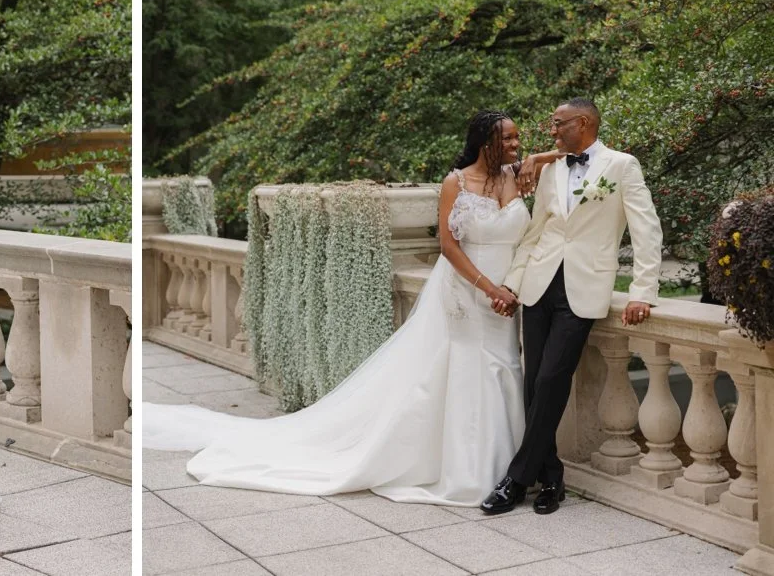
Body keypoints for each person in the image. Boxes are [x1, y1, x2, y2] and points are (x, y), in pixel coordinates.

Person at [143, 111, 562, 506]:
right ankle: (473, 473)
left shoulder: (517, 174)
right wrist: (489, 288)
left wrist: (539, 156)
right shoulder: (455, 182)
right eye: (507, 137)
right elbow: (448, 246)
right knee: (472, 371)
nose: (516, 143)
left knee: (504, 367)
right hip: (469, 290)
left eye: (517, 137)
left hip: (508, 294)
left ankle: (511, 469)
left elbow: (574, 154)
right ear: (485, 142)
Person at [481, 97, 661, 516]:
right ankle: (552, 478)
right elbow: (536, 232)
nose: (552, 131)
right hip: (539, 285)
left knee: (550, 380)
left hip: (584, 288)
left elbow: (646, 229)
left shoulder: (622, 166)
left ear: (583, 122)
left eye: (559, 123)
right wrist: (511, 283)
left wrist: (642, 291)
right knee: (533, 385)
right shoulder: (551, 170)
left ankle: (517, 479)